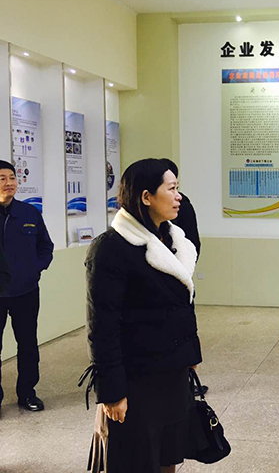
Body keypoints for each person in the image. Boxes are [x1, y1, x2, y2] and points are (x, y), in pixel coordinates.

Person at [80, 158, 203, 473]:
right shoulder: (111, 248)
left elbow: (182, 306)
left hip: (172, 372)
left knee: (169, 455)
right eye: (171, 189)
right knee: (137, 459)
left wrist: (190, 354)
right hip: (137, 377)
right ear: (146, 197)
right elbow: (102, 326)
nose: (178, 196)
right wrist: (112, 391)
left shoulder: (173, 240)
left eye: (178, 188)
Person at [0, 160, 54, 412]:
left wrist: (36, 268)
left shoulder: (29, 213)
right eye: (2, 178)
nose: (9, 183)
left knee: (28, 344)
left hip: (26, 291)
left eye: (12, 177)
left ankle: (27, 393)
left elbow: (45, 246)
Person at [161, 158, 207, 397]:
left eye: (175, 186)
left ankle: (189, 379)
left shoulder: (183, 205)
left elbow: (193, 242)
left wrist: (183, 269)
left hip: (179, 278)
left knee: (185, 328)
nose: (176, 195)